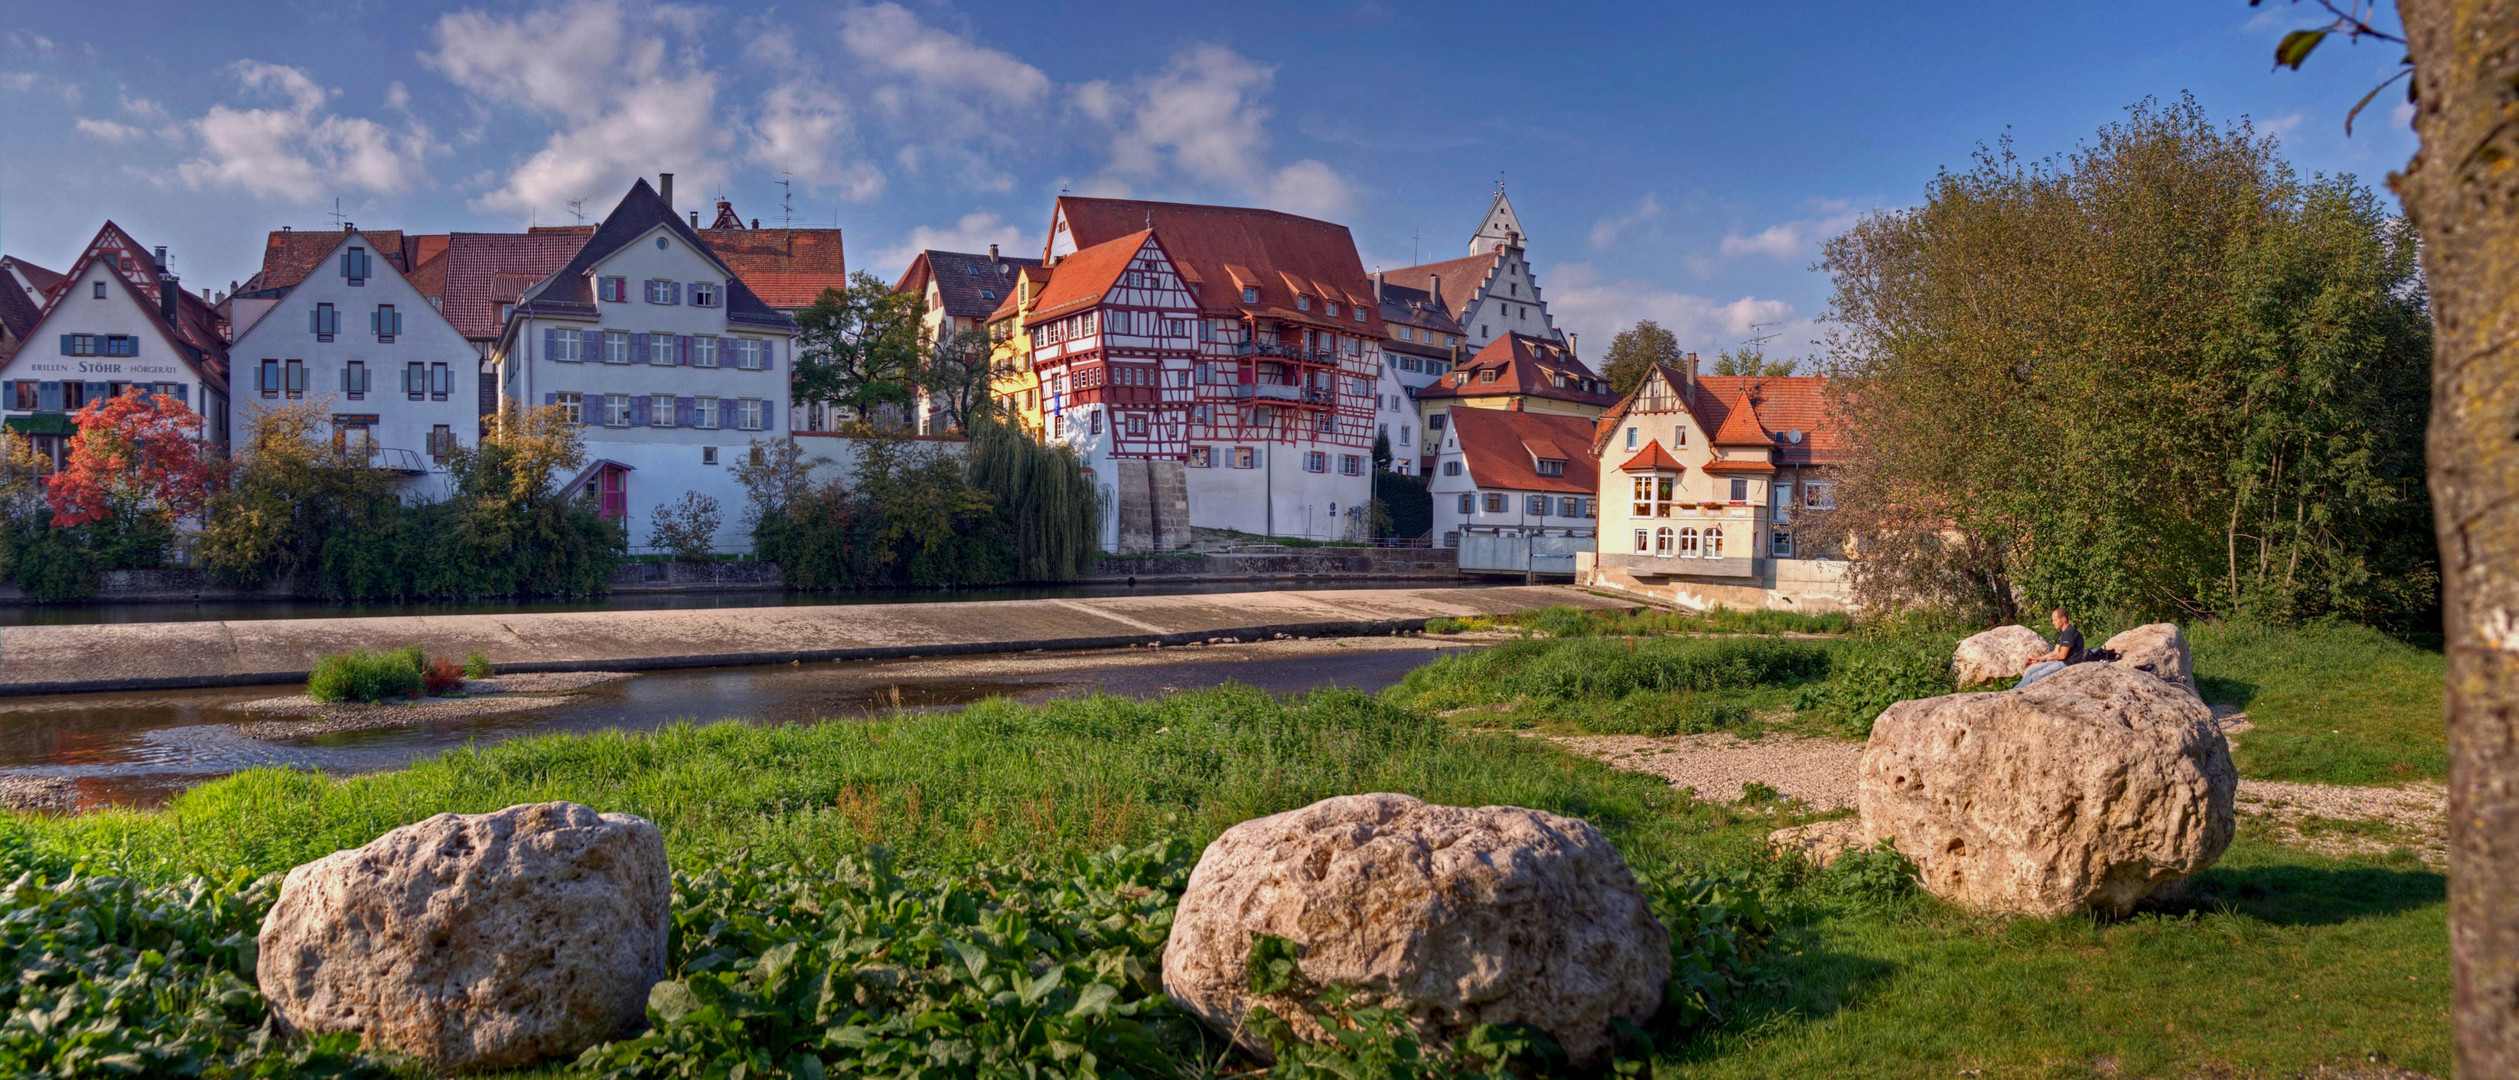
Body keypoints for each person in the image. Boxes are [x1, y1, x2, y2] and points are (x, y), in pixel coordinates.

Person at [2015, 606, 2086, 688]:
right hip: (2060, 661)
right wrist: (2039, 659)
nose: (2053, 622)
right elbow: (2055, 651)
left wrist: (2052, 658)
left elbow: (2063, 655)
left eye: (2055, 620)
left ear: (2063, 619)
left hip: (2067, 663)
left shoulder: (2069, 632)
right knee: (2030, 671)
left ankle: (2012, 693)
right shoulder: (2062, 632)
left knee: (2035, 676)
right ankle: (2017, 690)